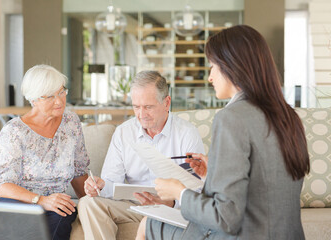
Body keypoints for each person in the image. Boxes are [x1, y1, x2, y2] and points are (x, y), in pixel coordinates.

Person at [136, 25, 310, 240]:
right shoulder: (289, 116)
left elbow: (225, 217)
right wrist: (212, 175)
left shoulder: (231, 117)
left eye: (212, 67)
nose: (210, 77)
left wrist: (178, 191)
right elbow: (263, 187)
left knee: (147, 223)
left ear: (231, 66)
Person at [78, 70, 205, 240]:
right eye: (136, 107)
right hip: (133, 207)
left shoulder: (187, 134)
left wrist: (172, 202)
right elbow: (111, 183)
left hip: (172, 209)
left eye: (148, 107)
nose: (141, 114)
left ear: (167, 103)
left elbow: (197, 190)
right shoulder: (124, 132)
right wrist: (99, 186)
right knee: (88, 202)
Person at [0, 64, 90, 240]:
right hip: (10, 201)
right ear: (33, 99)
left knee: (66, 212)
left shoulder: (71, 122)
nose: (59, 101)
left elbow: (78, 172)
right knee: (32, 217)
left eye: (61, 92)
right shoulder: (14, 132)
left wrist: (94, 198)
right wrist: (41, 201)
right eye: (50, 96)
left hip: (50, 206)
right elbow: (3, 186)